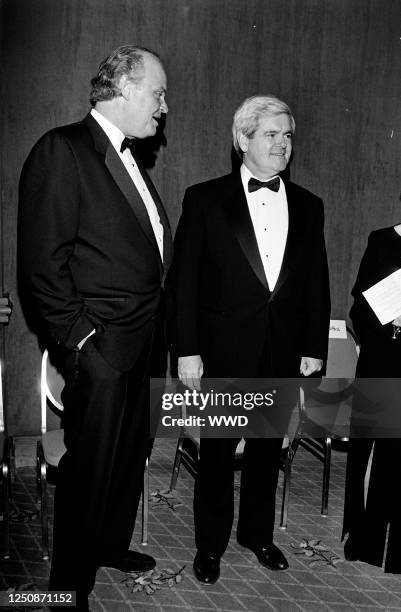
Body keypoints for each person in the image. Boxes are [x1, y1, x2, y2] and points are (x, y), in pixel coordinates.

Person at [18, 45, 172, 608]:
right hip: (102, 347)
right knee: (89, 472)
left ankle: (109, 545)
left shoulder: (131, 156)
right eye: (157, 92)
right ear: (127, 88)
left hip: (144, 343)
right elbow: (41, 263)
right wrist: (83, 340)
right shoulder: (63, 148)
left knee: (129, 459)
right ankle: (67, 587)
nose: (163, 106)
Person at [170, 95, 331, 584]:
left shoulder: (309, 204)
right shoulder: (204, 199)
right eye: (271, 134)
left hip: (281, 351)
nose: (282, 144)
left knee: (267, 452)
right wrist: (188, 350)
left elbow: (316, 283)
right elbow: (183, 284)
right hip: (221, 352)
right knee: (217, 454)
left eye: (287, 135)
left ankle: (257, 535)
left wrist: (313, 348)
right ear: (243, 140)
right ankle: (210, 544)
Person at [343, 225, 401, 573]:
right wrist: (388, 319)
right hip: (383, 356)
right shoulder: (382, 241)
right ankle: (365, 538)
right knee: (371, 451)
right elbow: (360, 309)